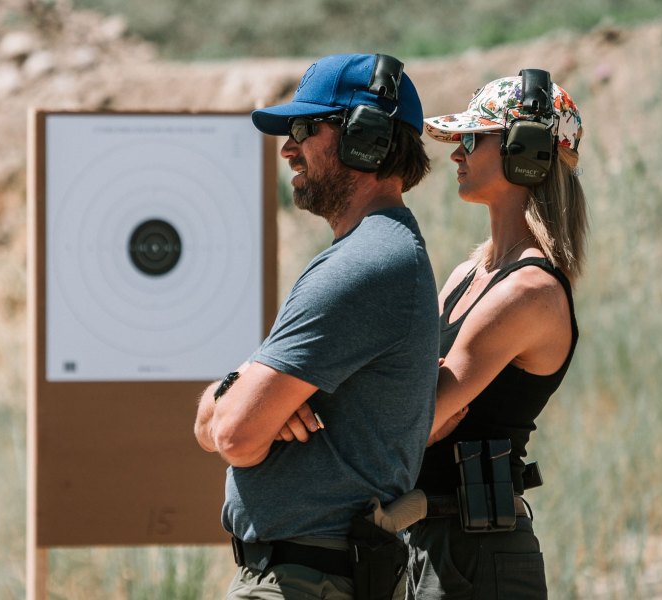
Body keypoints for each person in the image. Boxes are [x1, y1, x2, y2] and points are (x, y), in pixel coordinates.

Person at [194, 53, 438, 599]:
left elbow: (231, 434)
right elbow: (217, 425)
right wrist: (242, 392)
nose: (288, 148)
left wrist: (246, 404)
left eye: (305, 129)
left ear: (365, 138)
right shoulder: (374, 255)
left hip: (306, 580)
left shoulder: (365, 264)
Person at [405, 71, 587, 599]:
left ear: (523, 152)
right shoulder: (471, 272)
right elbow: (410, 394)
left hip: (474, 554)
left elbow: (421, 412)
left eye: (472, 138)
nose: (457, 154)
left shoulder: (528, 289)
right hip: (432, 538)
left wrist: (417, 414)